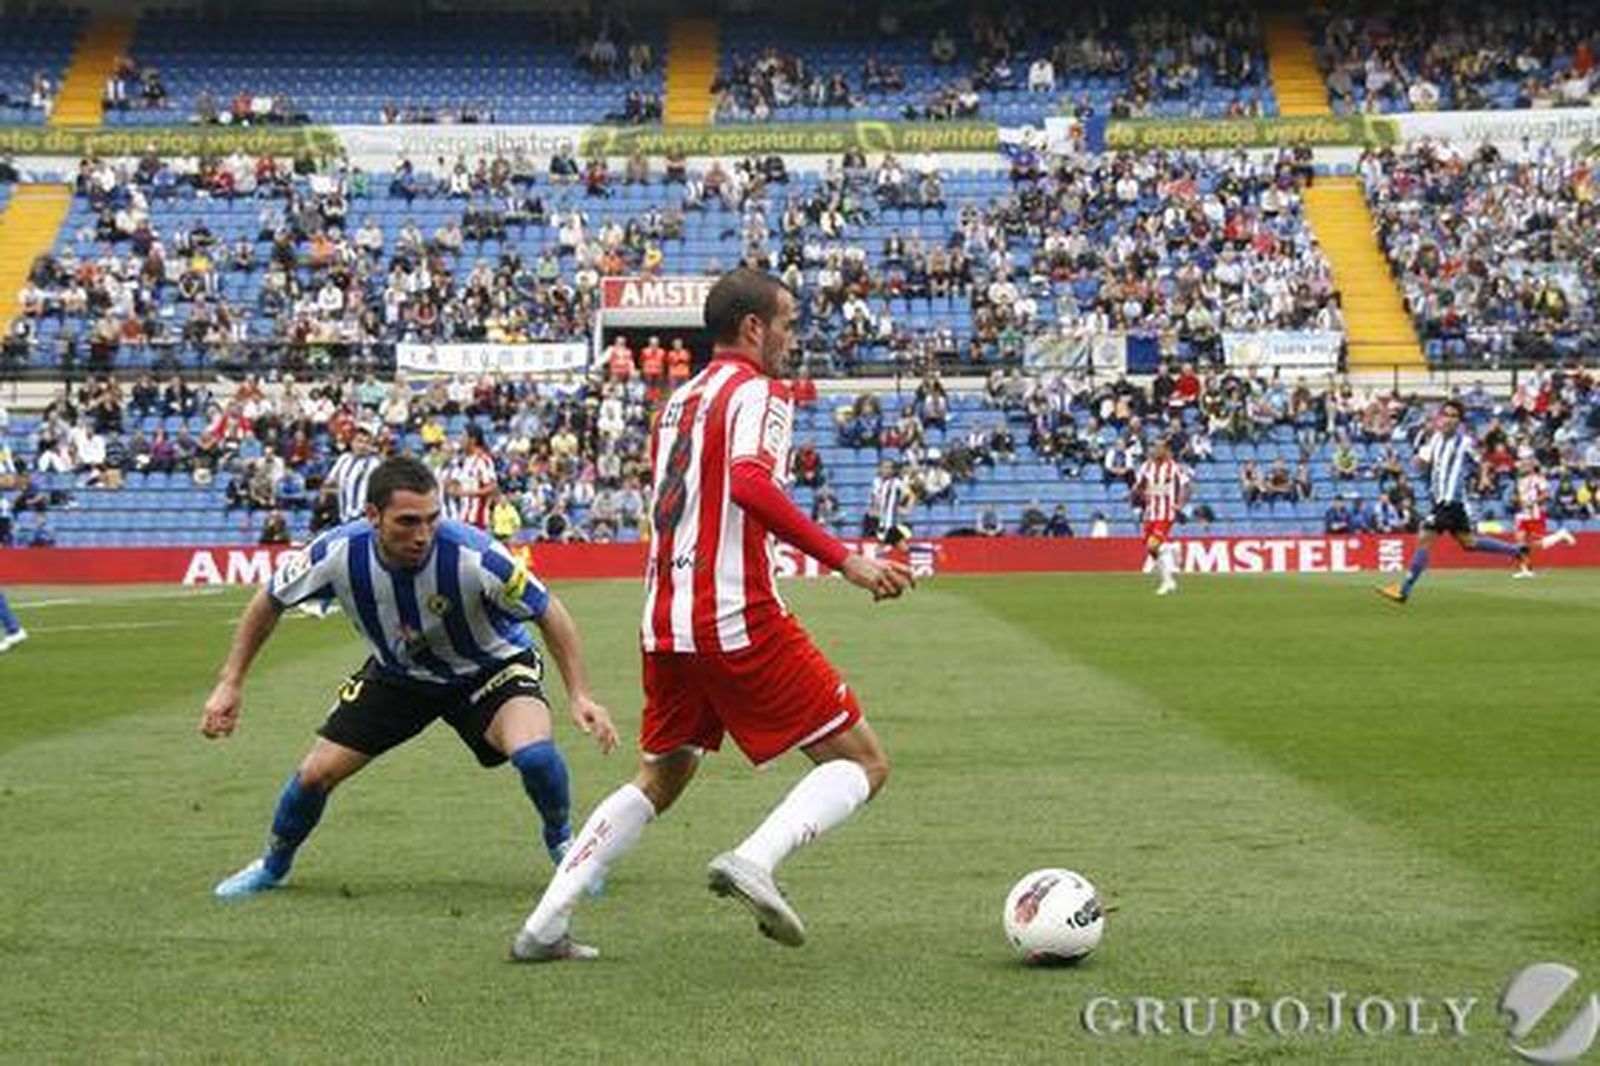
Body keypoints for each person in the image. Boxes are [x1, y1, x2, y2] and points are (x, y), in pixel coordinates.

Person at [512, 268, 914, 962]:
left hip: (663, 617)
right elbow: (751, 484)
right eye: (787, 322)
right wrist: (844, 560)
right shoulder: (758, 392)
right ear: (753, 328)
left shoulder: (679, 401)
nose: (792, 337)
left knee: (663, 775)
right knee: (864, 763)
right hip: (734, 612)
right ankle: (756, 858)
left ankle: (544, 925)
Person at [199, 456, 618, 900]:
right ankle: (272, 866)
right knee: (314, 775)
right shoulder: (335, 553)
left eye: (432, 519)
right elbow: (268, 601)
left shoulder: (476, 555)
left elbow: (548, 610)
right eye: (407, 522)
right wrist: (231, 681)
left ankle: (564, 845)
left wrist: (580, 694)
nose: (422, 535)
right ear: (373, 516)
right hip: (400, 676)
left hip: (491, 669)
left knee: (533, 754)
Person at [1378, 400, 1528, 604]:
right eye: (1445, 414)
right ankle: (1516, 551)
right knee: (1469, 543)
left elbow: (1481, 460)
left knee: (1425, 538)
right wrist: (1415, 462)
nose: (1448, 418)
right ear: (1440, 418)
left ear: (1459, 421)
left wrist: (1483, 477)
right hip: (1445, 503)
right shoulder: (1435, 439)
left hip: (1450, 502)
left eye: (1453, 415)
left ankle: (1403, 590)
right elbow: (1423, 465)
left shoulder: (1464, 442)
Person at [1132, 438, 1191, 596]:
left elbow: (1187, 487)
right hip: (1150, 513)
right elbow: (1141, 486)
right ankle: (1169, 574)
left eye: (1159, 448)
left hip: (1166, 513)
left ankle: (1167, 581)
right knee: (1151, 549)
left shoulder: (1173, 467)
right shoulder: (1146, 466)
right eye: (1153, 447)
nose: (1155, 450)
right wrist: (1137, 494)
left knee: (1153, 545)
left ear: (1165, 450)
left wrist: (1180, 505)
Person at [1511, 456, 1577, 578]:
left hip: (1534, 514)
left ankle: (1560, 535)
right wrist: (1516, 500)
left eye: (1525, 464)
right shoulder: (1519, 480)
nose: (1522, 466)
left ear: (1531, 467)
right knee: (1519, 542)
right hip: (1521, 514)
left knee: (1534, 544)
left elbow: (1546, 494)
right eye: (1522, 464)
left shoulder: (1538, 479)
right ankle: (1526, 569)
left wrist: (1533, 502)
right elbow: (1520, 496)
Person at [449, 423, 498, 530]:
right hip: (463, 518)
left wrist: (466, 493)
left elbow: (492, 487)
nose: (460, 439)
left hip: (477, 520)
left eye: (463, 436)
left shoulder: (483, 460)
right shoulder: (465, 460)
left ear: (473, 440)